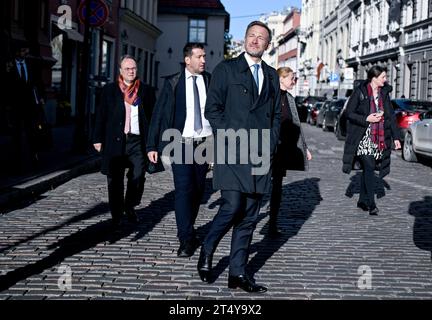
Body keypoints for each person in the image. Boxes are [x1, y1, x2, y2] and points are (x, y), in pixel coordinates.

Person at [197, 21, 281, 293]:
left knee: (248, 217)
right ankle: (208, 248)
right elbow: (213, 109)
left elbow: (277, 114)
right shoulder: (227, 69)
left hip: (259, 154)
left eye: (261, 38)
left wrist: (271, 141)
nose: (255, 41)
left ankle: (238, 273)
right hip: (232, 150)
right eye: (251, 36)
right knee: (232, 206)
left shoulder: (271, 75)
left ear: (268, 45)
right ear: (244, 40)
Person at [147, 43, 212, 258]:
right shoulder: (173, 83)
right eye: (199, 56)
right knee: (183, 190)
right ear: (187, 59)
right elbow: (159, 114)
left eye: (204, 56)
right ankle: (185, 238)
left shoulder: (209, 81)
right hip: (180, 143)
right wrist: (152, 145)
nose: (204, 60)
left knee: (198, 191)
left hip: (203, 144)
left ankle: (190, 229)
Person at [93, 55, 153, 228]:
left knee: (138, 175)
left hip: (136, 141)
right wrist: (97, 138)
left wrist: (153, 143)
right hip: (115, 141)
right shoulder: (110, 90)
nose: (131, 71)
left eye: (133, 68)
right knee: (115, 180)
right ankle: (116, 214)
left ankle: (130, 205)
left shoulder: (145, 91)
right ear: (120, 71)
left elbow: (152, 117)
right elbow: (101, 115)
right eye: (127, 68)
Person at [342, 65, 401, 215]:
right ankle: (371, 203)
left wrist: (396, 137)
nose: (386, 79)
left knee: (369, 168)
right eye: (383, 77)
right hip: (363, 135)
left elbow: (391, 116)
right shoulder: (360, 92)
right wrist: (366, 118)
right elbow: (349, 112)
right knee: (369, 165)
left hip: (379, 136)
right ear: (374, 78)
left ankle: (362, 200)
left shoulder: (384, 93)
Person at [268, 67, 312, 237]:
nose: (294, 81)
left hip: (283, 150)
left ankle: (272, 224)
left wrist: (304, 148)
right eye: (292, 78)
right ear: (281, 79)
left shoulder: (290, 98)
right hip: (267, 148)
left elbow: (296, 125)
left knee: (277, 188)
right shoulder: (270, 96)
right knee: (261, 187)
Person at [5, 42, 46, 171]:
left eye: (26, 51)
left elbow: (38, 82)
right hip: (15, 107)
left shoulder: (30, 64)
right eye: (23, 51)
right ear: (17, 52)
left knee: (32, 133)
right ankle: (17, 163)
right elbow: (4, 85)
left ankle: (34, 158)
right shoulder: (9, 66)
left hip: (30, 106)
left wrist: (41, 97)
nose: (25, 53)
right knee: (16, 135)